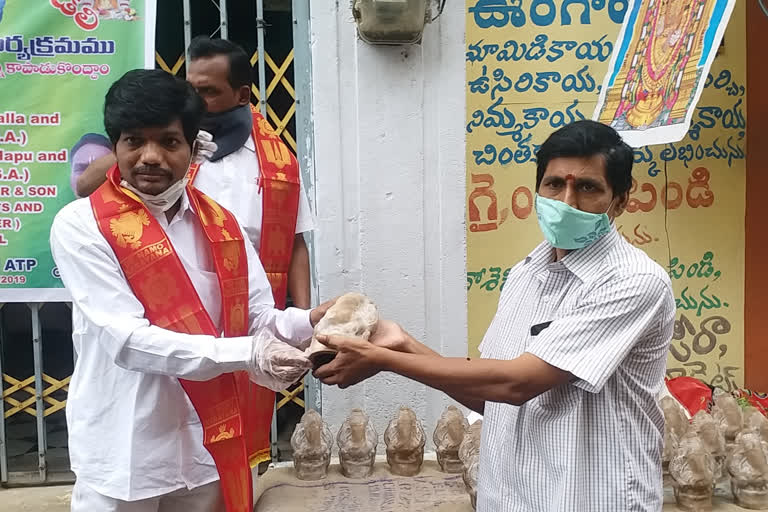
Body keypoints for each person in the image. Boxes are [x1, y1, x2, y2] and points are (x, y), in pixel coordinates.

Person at [314, 120, 676, 511]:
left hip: (593, 497)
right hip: (513, 497)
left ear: (620, 200)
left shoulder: (634, 282)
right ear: (538, 190)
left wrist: (386, 361)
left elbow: (517, 384)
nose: (567, 203)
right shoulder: (525, 275)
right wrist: (402, 342)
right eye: (555, 184)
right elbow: (495, 396)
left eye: (587, 188)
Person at [51, 69, 331, 512]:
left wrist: (311, 322)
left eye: (168, 141)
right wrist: (249, 355)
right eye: (133, 142)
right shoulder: (83, 226)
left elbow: (258, 318)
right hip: (126, 452)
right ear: (115, 147)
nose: (150, 157)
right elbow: (127, 341)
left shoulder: (221, 224)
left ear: (193, 146)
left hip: (207, 448)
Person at [75, 36, 314, 310]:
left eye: (208, 91)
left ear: (242, 95)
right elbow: (85, 186)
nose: (196, 101)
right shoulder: (169, 153)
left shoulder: (278, 163)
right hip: (173, 308)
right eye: (191, 90)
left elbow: (295, 244)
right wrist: (156, 143)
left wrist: (303, 320)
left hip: (255, 309)